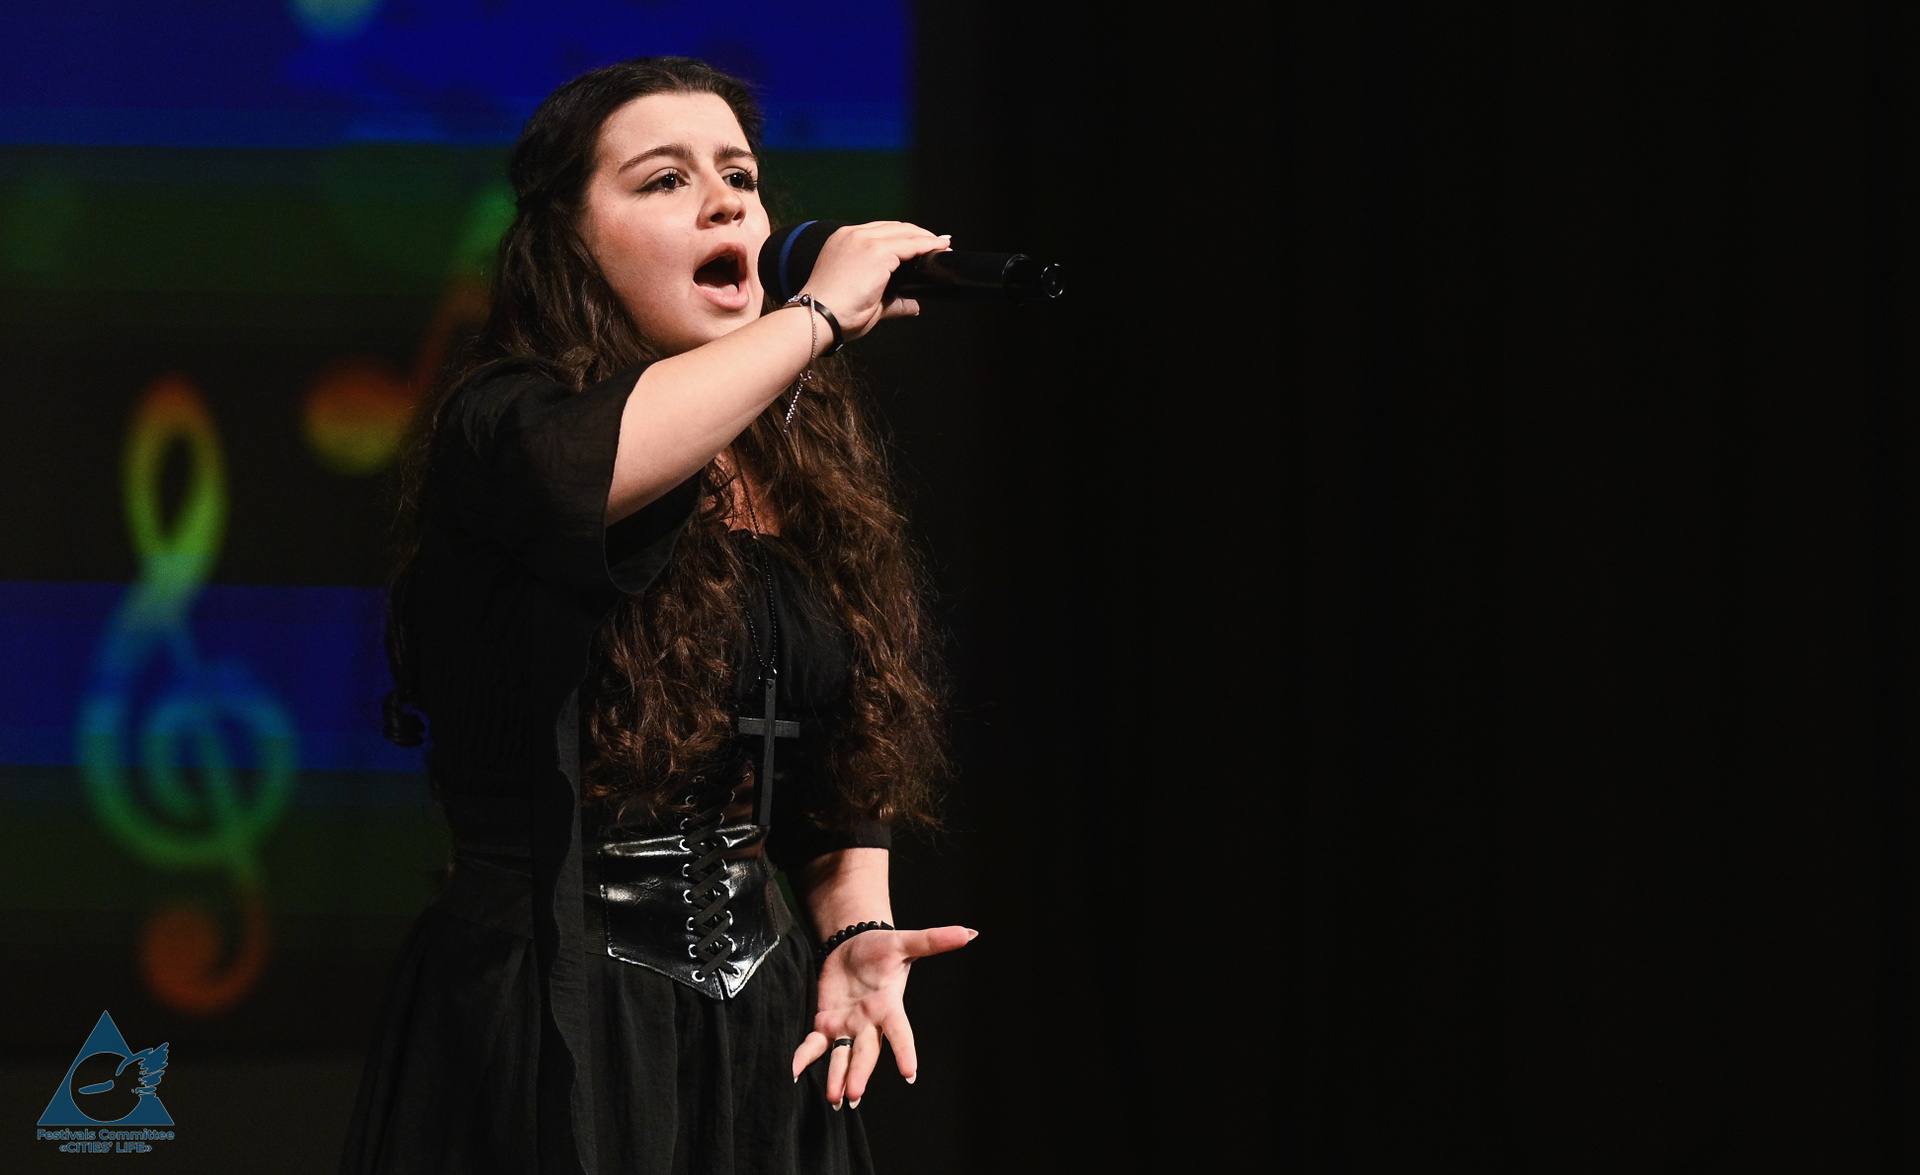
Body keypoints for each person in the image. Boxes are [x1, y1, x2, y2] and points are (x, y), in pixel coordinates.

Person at [338, 56, 973, 1175]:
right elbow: (590, 475)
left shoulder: (797, 456)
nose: (725, 202)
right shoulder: (504, 424)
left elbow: (837, 752)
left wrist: (856, 923)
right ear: (571, 242)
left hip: (758, 1016)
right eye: (665, 180)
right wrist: (819, 312)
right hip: (558, 999)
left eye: (740, 176)